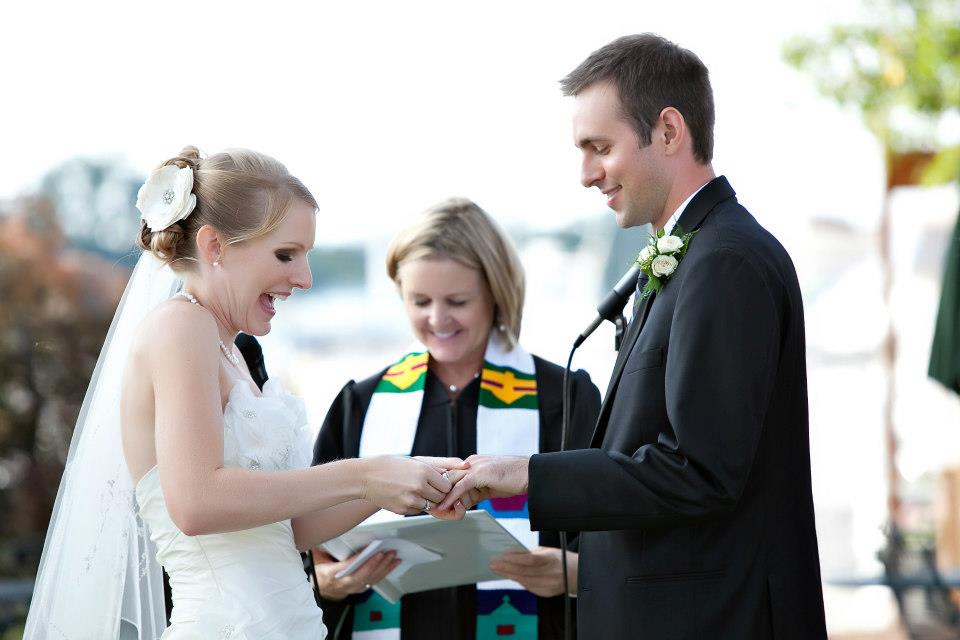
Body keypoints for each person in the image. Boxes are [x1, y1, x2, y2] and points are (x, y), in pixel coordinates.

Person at [438, 34, 828, 638]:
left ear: (669, 131)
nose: (587, 174)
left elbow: (700, 471)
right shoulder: (699, 252)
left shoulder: (725, 261)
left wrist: (529, 475)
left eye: (600, 147)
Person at [23, 147, 460, 639]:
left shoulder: (231, 351)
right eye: (286, 254)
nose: (305, 278)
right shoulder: (180, 328)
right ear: (215, 246)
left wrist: (400, 481)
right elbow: (196, 503)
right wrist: (362, 474)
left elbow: (289, 529)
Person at [311, 198, 601, 639]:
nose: (437, 319)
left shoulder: (564, 398)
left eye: (458, 301)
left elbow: (618, 536)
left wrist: (577, 575)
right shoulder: (362, 403)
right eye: (420, 300)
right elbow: (313, 540)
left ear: (495, 292)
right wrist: (327, 584)